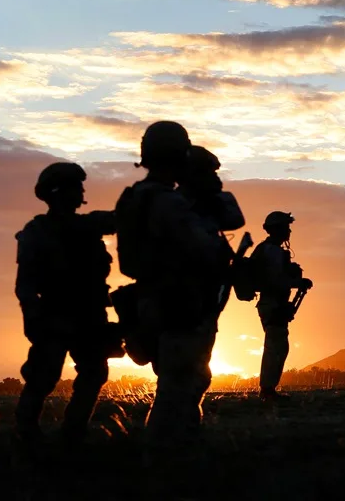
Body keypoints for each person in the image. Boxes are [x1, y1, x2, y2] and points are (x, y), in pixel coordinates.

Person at [114, 121, 222, 462]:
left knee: (183, 380)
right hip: (176, 302)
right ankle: (167, 459)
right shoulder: (168, 203)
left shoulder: (134, 197)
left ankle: (177, 454)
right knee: (179, 385)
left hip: (152, 299)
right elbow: (202, 248)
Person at [13, 162, 118, 450]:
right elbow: (25, 285)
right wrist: (32, 317)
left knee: (94, 373)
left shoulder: (88, 225)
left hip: (90, 317)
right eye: (76, 187)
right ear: (60, 193)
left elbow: (119, 219)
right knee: (42, 377)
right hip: (54, 316)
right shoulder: (36, 232)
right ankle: (27, 433)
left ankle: (73, 434)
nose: (82, 191)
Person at [177, 145, 245, 324]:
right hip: (181, 297)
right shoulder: (173, 205)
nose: (215, 178)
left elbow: (236, 220)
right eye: (209, 173)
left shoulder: (209, 204)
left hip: (206, 295)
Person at [251, 211, 312, 402]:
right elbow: (275, 280)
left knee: (278, 345)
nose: (289, 231)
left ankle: (269, 389)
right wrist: (297, 283)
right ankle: (267, 390)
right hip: (273, 303)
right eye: (286, 227)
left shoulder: (268, 250)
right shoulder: (272, 251)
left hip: (273, 303)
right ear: (277, 229)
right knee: (275, 346)